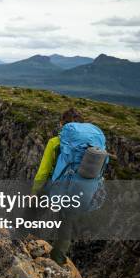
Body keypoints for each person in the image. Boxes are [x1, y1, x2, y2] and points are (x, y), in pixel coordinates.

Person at [32, 107, 84, 265]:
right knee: (66, 225)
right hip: (76, 190)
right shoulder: (88, 147)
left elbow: (43, 171)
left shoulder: (55, 142)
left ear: (62, 124)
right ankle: (58, 258)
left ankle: (22, 240)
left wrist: (35, 191)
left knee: (32, 212)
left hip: (54, 187)